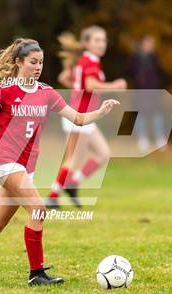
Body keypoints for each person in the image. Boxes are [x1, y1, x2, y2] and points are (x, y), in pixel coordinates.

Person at [0, 38, 120, 286]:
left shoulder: (46, 93)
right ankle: (36, 274)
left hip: (24, 168)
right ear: (18, 62)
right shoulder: (7, 92)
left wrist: (101, 111)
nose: (38, 66)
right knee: (39, 209)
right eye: (32, 62)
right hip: (5, 162)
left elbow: (79, 119)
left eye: (41, 62)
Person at [46, 26, 127, 208]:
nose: (101, 44)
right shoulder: (90, 61)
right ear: (87, 43)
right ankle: (52, 196)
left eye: (104, 40)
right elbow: (90, 85)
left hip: (85, 116)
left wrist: (77, 88)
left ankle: (72, 184)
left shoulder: (83, 60)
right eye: (97, 40)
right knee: (73, 161)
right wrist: (114, 85)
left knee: (103, 154)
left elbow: (64, 77)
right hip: (79, 118)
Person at [125, 34, 166, 152]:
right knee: (140, 115)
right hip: (140, 91)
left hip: (154, 91)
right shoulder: (135, 58)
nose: (151, 46)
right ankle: (143, 139)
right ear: (143, 44)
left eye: (152, 44)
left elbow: (161, 73)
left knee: (157, 113)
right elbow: (128, 71)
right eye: (148, 43)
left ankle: (160, 139)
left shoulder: (155, 58)